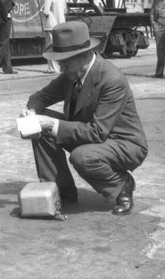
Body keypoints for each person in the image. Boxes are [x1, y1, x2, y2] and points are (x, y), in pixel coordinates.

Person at [19, 20, 148, 215]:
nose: (62, 68)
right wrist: (32, 113)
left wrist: (51, 123)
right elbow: (39, 98)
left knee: (82, 157)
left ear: (86, 55)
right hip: (93, 135)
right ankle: (60, 190)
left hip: (123, 143)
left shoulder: (111, 79)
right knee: (42, 124)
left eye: (66, 62)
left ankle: (121, 185)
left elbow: (97, 133)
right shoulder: (73, 72)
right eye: (60, 63)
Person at [42, 0, 67, 73]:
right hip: (61, 24)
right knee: (60, 46)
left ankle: (52, 68)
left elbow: (46, 12)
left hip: (51, 25)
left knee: (50, 46)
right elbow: (65, 11)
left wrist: (42, 12)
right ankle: (61, 67)